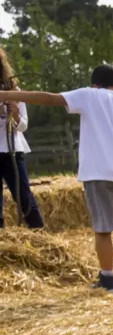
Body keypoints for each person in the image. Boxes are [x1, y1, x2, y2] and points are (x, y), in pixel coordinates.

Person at [4, 64, 113, 293]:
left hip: (97, 173)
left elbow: (48, 99)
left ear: (95, 85)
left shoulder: (89, 95)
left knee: (103, 229)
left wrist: (6, 94)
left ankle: (107, 279)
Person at [0, 46, 45, 229]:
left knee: (24, 197)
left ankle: (40, 237)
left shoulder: (13, 89)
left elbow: (23, 125)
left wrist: (16, 114)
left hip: (12, 150)